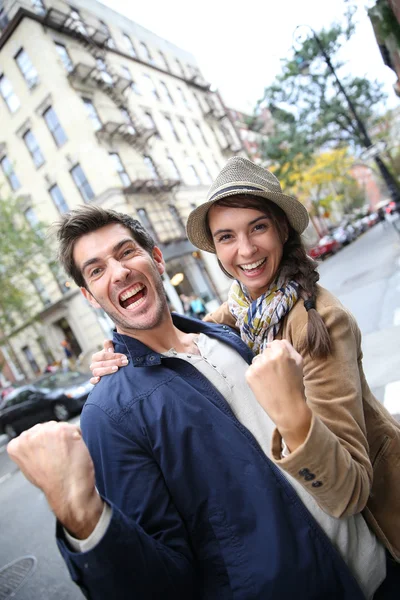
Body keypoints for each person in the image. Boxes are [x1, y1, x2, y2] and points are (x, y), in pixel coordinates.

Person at [8, 205, 374, 600]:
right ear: (90, 297)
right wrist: (87, 521)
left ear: (157, 258)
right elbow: (159, 584)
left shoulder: (224, 333)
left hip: (374, 565)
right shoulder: (108, 414)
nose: (118, 272)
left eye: (126, 252)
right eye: (97, 270)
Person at [90, 159, 400, 593]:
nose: (246, 250)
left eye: (258, 228)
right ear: (216, 250)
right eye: (226, 237)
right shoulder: (239, 314)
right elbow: (174, 334)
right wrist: (116, 352)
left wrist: (294, 415)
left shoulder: (322, 322)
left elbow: (349, 492)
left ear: (282, 230)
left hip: (379, 546)